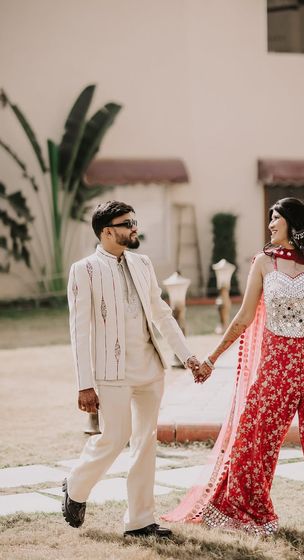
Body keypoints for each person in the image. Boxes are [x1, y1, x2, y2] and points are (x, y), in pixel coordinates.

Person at [163, 197, 304, 551]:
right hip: (276, 370)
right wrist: (211, 358)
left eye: (276, 218)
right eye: (270, 218)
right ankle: (244, 513)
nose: (271, 224)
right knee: (253, 440)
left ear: (293, 222)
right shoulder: (264, 262)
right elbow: (243, 318)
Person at [63, 200, 200, 538]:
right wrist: (84, 384)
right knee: (114, 437)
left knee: (145, 442)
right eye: (126, 224)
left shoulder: (143, 263)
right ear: (107, 231)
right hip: (112, 373)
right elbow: (78, 330)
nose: (134, 228)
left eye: (133, 222)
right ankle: (75, 487)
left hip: (150, 369)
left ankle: (140, 520)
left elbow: (161, 313)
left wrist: (186, 356)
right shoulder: (85, 270)